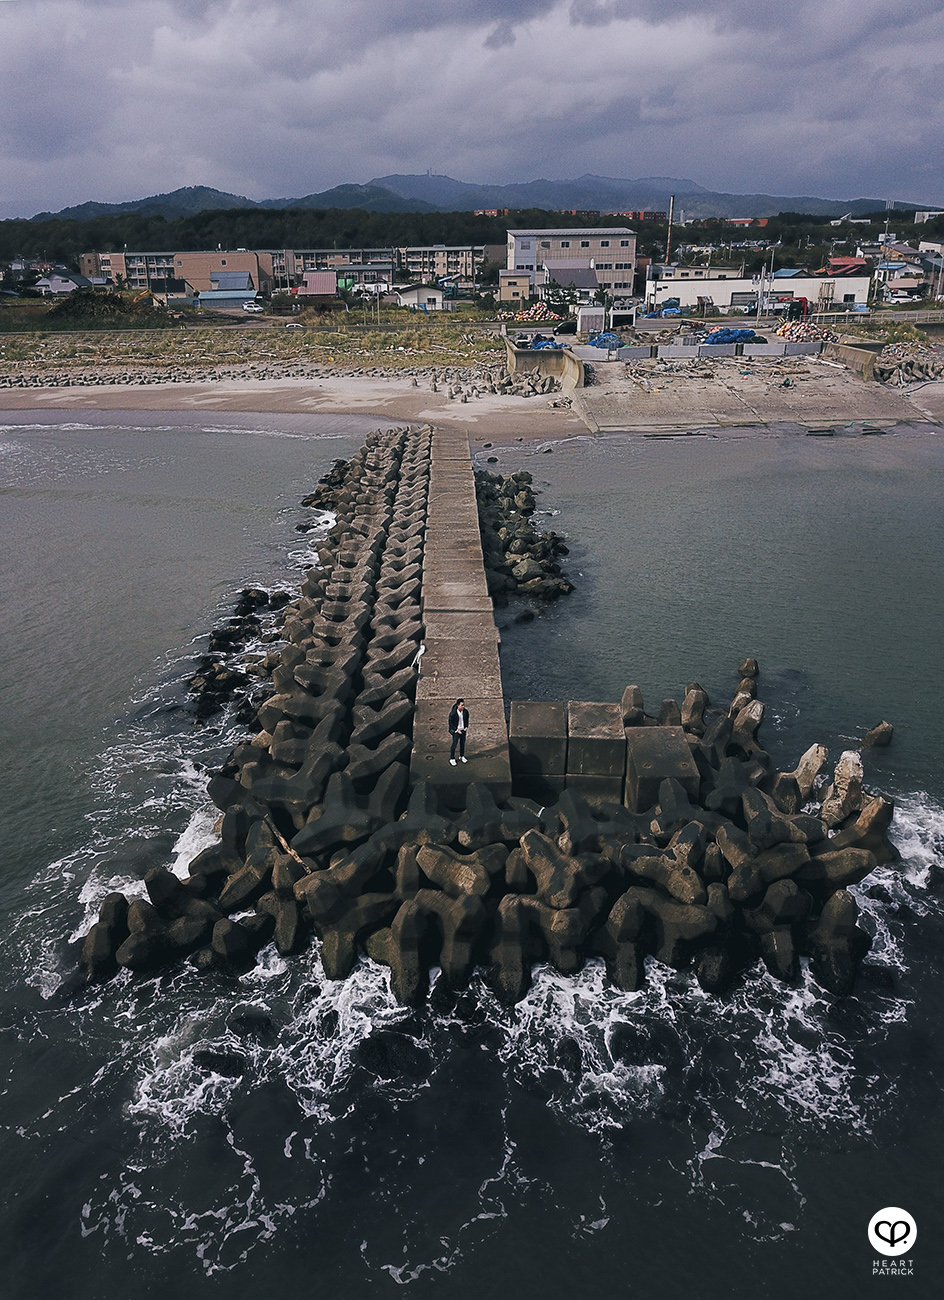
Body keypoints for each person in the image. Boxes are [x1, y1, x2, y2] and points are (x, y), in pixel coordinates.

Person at [448, 698, 469, 765]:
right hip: (456, 731)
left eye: (463, 705)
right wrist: (456, 730)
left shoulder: (465, 712)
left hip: (463, 730)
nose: (463, 706)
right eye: (462, 705)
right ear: (458, 705)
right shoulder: (453, 713)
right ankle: (452, 758)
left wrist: (466, 727)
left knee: (462, 744)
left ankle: (462, 756)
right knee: (454, 744)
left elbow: (467, 720)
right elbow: (450, 723)